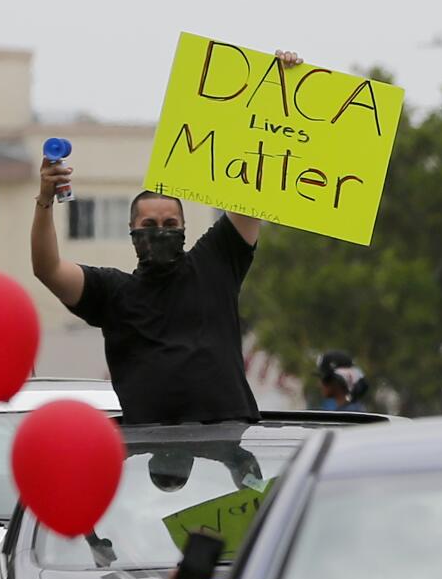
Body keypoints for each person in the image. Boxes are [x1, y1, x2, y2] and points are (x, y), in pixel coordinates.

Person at [30, 51, 303, 426]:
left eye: (170, 221)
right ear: (133, 233)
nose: (161, 230)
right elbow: (47, 268)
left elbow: (252, 185)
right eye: (151, 223)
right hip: (148, 455)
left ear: (185, 228)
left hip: (230, 447)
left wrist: (278, 88)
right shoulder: (113, 293)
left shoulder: (215, 263)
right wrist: (46, 199)